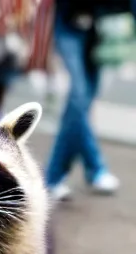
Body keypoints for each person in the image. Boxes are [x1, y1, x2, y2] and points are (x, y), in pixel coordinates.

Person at [45, 0, 120, 200]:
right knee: (78, 98)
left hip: (102, 28)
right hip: (69, 24)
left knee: (81, 105)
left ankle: (53, 177)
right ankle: (95, 167)